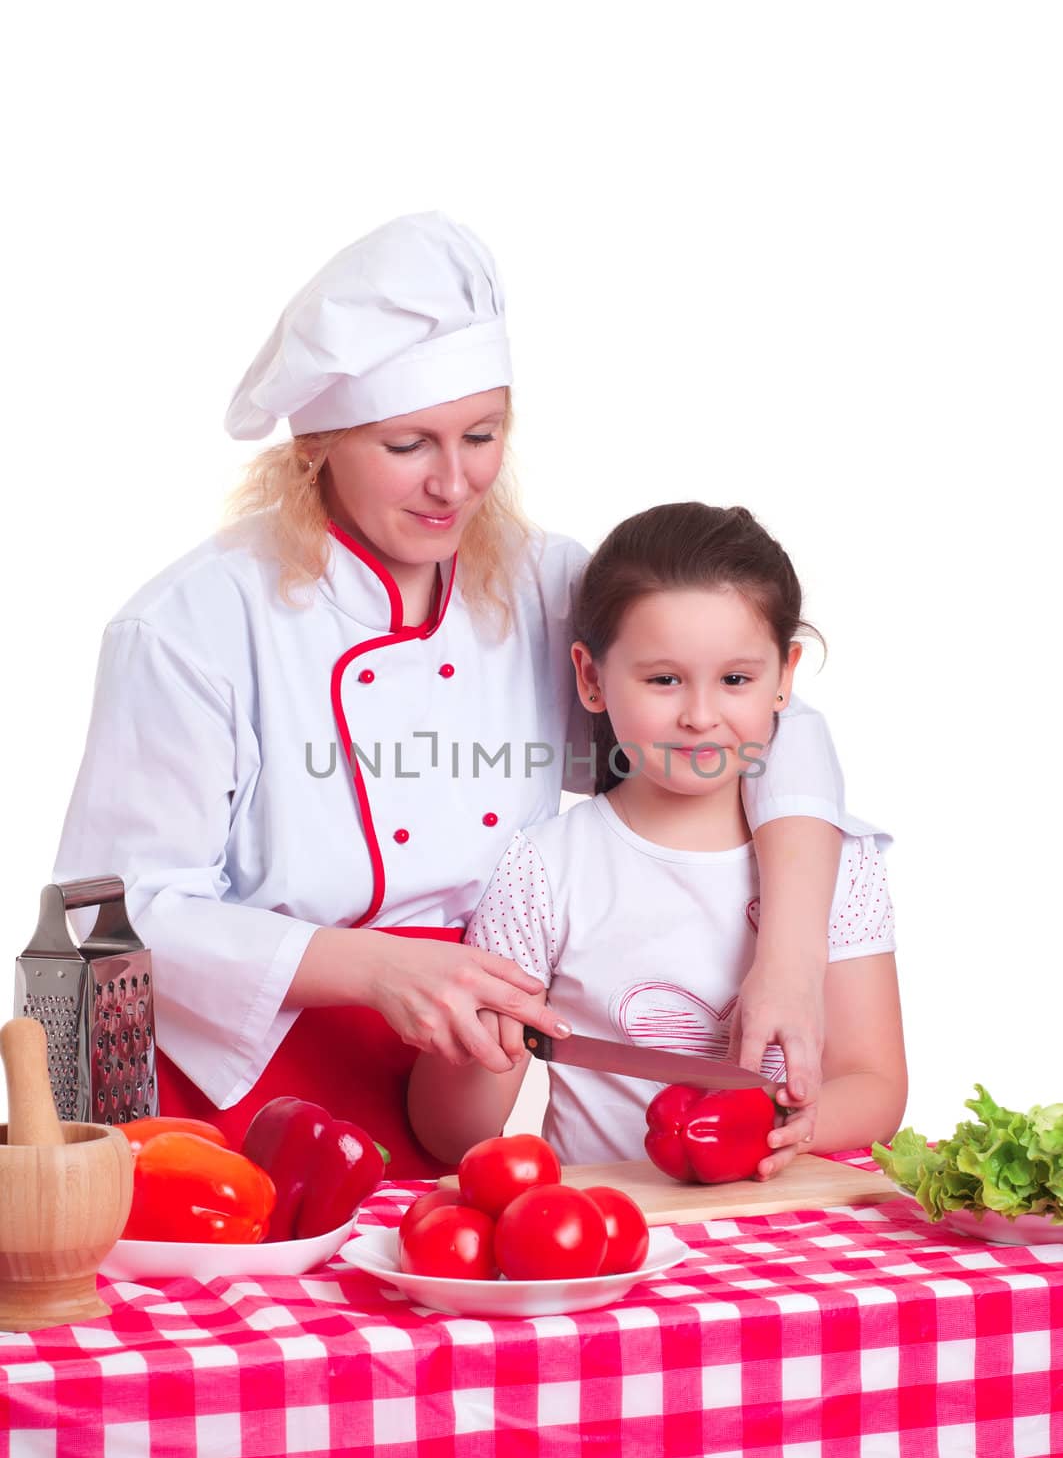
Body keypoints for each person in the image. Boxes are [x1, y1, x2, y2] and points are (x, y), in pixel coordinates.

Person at [54, 212, 875, 1178]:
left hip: (477, 1066)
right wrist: (373, 967)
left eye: (481, 436)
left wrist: (787, 962)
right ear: (315, 445)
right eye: (408, 446)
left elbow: (760, 729)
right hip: (249, 1079)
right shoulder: (190, 626)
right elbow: (110, 914)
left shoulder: (544, 581)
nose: (454, 483)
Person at [408, 502, 907, 1172]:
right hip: (616, 1230)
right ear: (590, 678)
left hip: (789, 1222)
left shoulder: (837, 864)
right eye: (662, 679)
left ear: (784, 677)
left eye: (735, 680)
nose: (700, 716)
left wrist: (784, 1130)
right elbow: (455, 1136)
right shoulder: (545, 867)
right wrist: (472, 1051)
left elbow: (875, 1084)